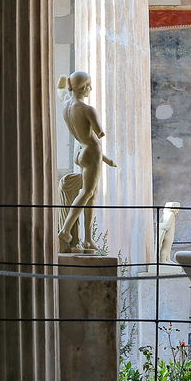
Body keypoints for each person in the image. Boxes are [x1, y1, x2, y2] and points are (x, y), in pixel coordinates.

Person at [57, 72, 116, 252]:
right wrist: (102, 155)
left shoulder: (66, 104)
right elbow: (98, 134)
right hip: (91, 151)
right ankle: (66, 230)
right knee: (87, 192)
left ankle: (88, 239)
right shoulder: (87, 109)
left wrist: (106, 159)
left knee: (91, 194)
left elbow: (60, 89)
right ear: (83, 87)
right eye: (89, 85)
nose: (90, 89)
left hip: (81, 150)